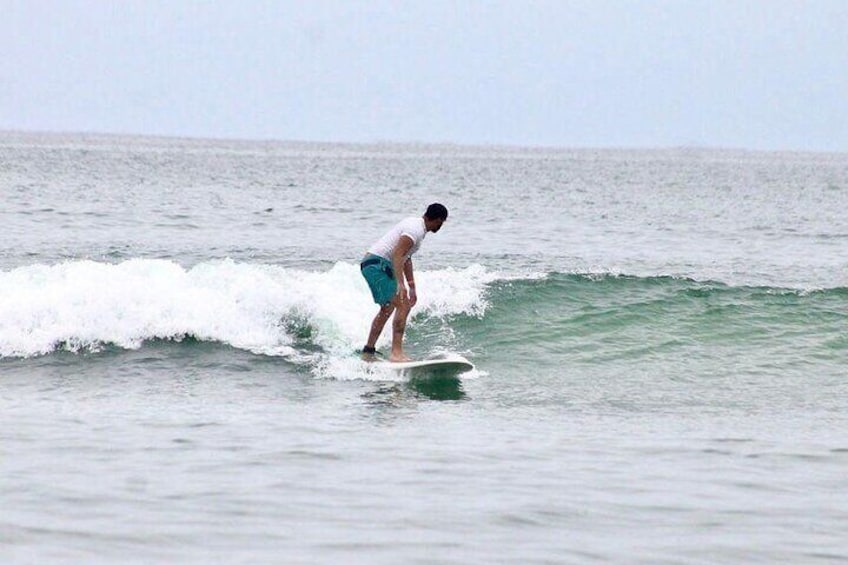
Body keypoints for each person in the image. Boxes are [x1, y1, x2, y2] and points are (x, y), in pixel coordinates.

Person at [360, 203, 449, 362]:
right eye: (441, 222)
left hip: (376, 264)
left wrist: (412, 286)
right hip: (376, 265)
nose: (441, 226)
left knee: (388, 307)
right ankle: (396, 353)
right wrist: (401, 285)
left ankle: (368, 350)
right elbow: (397, 255)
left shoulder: (418, 229)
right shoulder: (414, 230)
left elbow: (406, 258)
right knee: (403, 304)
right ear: (437, 220)